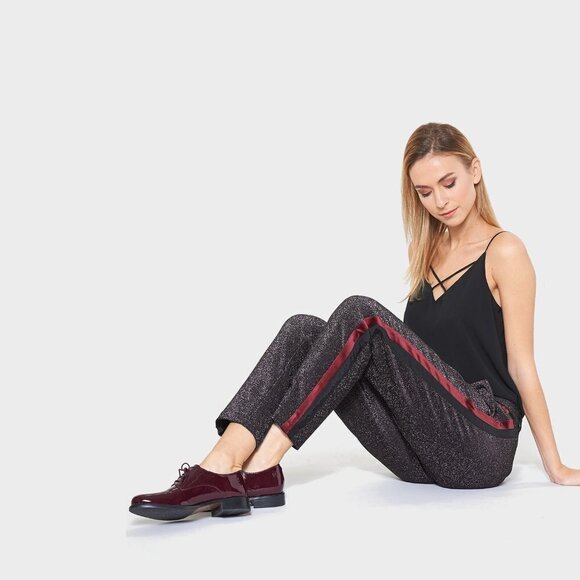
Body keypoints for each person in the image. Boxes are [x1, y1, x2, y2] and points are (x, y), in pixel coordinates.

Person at [129, 122, 580, 522]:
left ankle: (261, 466)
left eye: (449, 183)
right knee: (303, 330)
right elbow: (417, 371)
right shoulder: (425, 253)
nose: (440, 201)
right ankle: (221, 464)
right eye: (425, 192)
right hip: (422, 454)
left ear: (475, 171)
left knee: (359, 312)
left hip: (482, 444)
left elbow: (522, 365)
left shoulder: (505, 251)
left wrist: (555, 467)